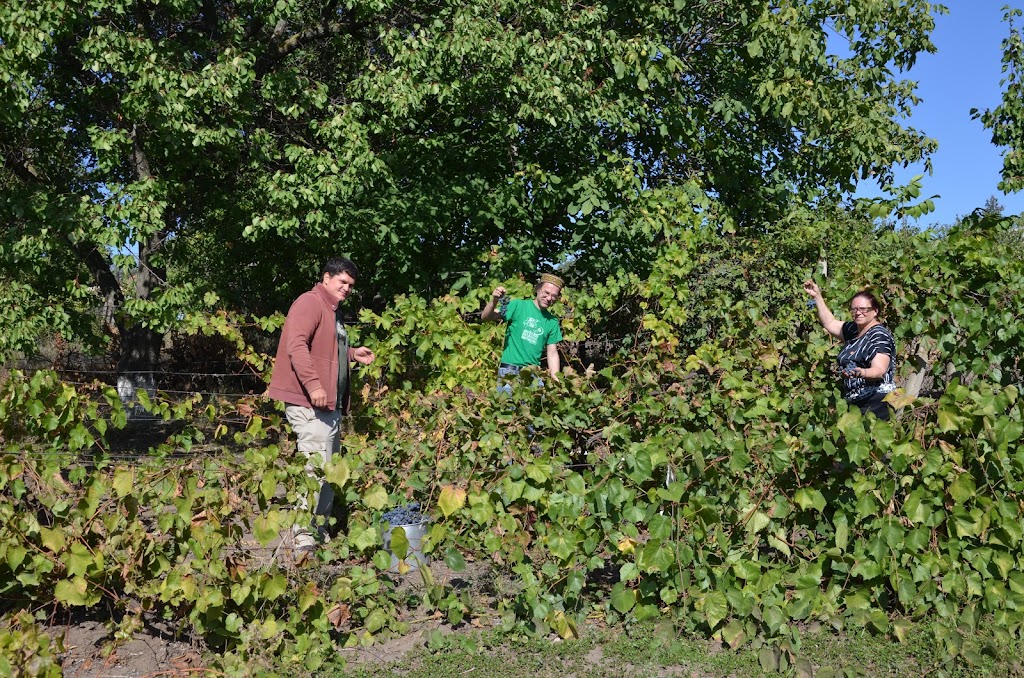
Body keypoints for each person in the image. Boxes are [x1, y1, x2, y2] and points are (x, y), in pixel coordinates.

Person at [268, 257, 375, 557]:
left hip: (330, 406)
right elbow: (296, 345)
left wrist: (352, 354)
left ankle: (318, 529)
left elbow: (326, 349)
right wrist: (314, 384)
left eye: (351, 285)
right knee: (313, 469)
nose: (347, 288)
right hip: (309, 402)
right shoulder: (310, 303)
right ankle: (302, 536)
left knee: (328, 469)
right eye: (342, 282)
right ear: (326, 277)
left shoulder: (333, 311)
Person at [803, 281, 896, 420]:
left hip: (876, 402)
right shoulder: (854, 330)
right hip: (857, 403)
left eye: (864, 309)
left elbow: (879, 370)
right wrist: (817, 297)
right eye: (854, 309)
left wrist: (861, 372)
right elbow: (830, 323)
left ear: (875, 311)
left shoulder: (878, 335)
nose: (858, 313)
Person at [480, 273, 564, 389]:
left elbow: (552, 353)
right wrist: (494, 301)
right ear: (538, 289)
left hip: (533, 376)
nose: (549, 298)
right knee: (506, 407)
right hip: (508, 373)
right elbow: (486, 317)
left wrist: (556, 383)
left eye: (554, 296)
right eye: (546, 293)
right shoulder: (518, 306)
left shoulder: (552, 321)